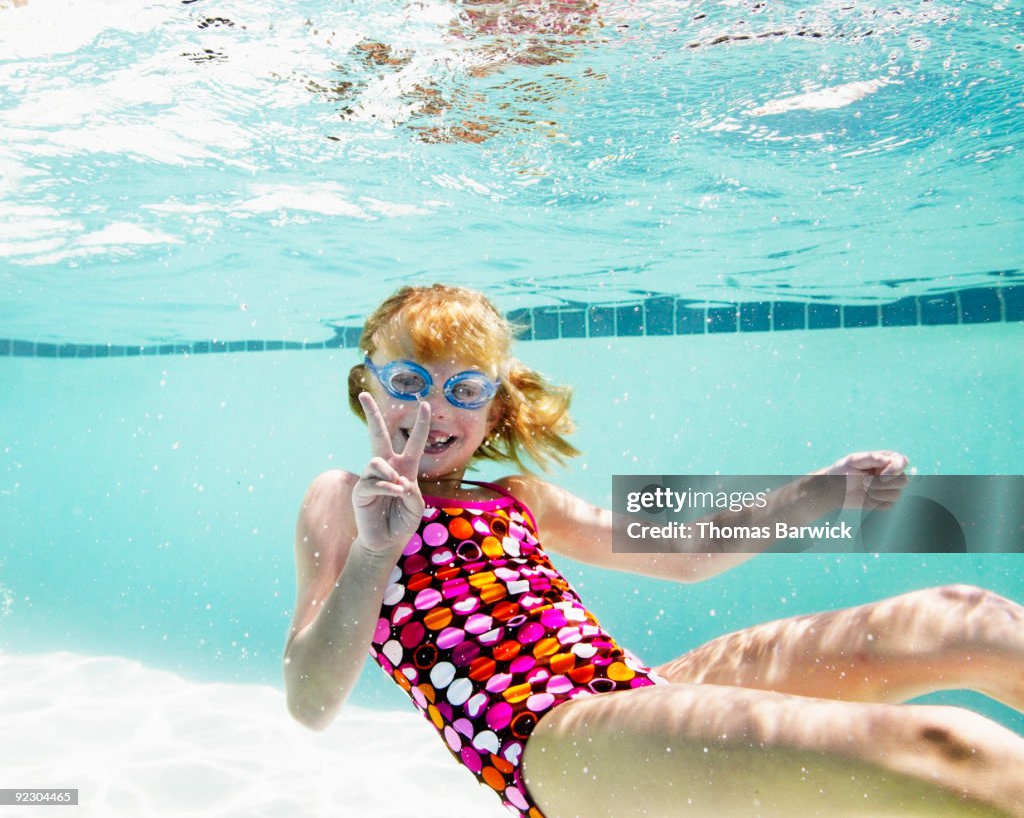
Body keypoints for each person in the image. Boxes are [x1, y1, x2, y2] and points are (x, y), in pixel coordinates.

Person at [283, 283, 1024, 818]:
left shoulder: (520, 497)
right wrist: (376, 552)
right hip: (543, 738)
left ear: (494, 407)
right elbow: (311, 702)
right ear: (367, 390)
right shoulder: (340, 496)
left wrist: (821, 490)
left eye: (463, 387)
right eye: (409, 380)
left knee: (964, 618)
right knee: (947, 748)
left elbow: (689, 552)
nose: (433, 407)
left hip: (631, 694)